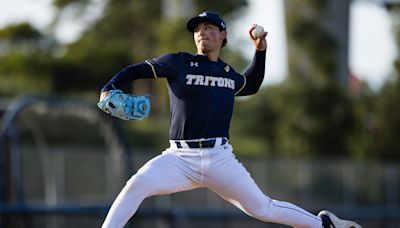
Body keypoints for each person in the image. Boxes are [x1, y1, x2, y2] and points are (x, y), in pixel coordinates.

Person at [99, 11, 362, 228]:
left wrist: (260, 51)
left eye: (209, 27)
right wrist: (110, 86)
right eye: (198, 28)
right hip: (178, 158)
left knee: (263, 208)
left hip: (220, 158)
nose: (202, 31)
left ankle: (324, 224)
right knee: (136, 184)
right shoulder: (178, 63)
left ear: (223, 36)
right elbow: (136, 70)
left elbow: (251, 84)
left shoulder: (229, 74)